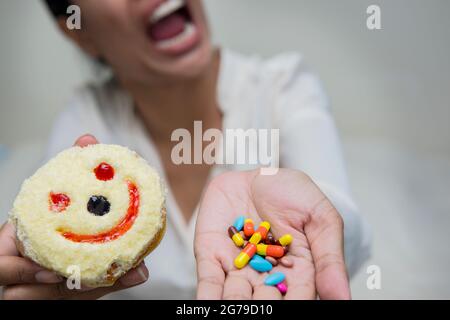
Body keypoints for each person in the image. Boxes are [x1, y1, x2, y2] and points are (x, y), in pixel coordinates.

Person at [0, 0, 370, 299]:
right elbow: (55, 237)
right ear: (79, 32)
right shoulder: (86, 121)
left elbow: (343, 217)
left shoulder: (284, 86)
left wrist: (319, 221)